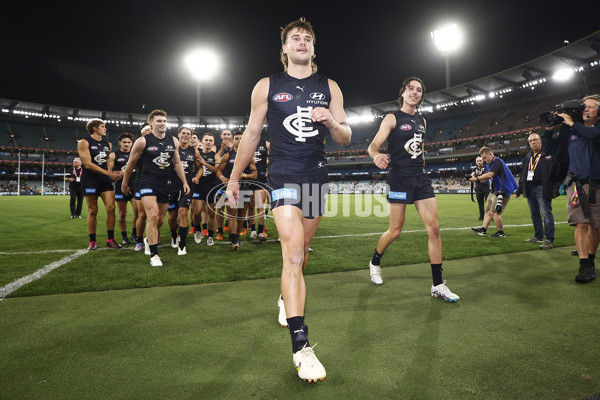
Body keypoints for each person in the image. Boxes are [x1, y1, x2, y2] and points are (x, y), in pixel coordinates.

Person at [226, 17, 351, 383]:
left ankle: (285, 296)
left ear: (313, 48)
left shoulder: (329, 86)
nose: (301, 41)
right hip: (282, 175)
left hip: (316, 176)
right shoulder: (267, 85)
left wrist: (331, 122)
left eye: (307, 38)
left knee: (303, 250)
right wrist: (234, 177)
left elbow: (345, 136)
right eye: (295, 38)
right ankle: (301, 346)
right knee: (293, 253)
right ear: (284, 48)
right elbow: (251, 134)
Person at [367, 76, 459, 304]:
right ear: (403, 92)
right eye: (411, 88)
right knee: (395, 230)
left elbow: (421, 149)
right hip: (398, 178)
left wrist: (422, 168)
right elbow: (373, 146)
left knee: (434, 229)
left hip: (420, 178)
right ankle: (375, 262)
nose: (415, 92)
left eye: (419, 90)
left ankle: (437, 284)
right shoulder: (392, 118)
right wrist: (376, 155)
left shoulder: (422, 122)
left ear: (421, 96)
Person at [542, 94, 600, 282]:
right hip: (576, 185)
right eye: (584, 106)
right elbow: (551, 151)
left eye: (591, 107)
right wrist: (549, 130)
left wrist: (572, 123)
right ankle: (584, 265)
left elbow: (594, 135)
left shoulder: (594, 128)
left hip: (597, 184)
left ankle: (591, 258)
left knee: (596, 226)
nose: (586, 109)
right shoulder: (570, 131)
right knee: (580, 224)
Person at [121, 110, 190, 266]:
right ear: (151, 123)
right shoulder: (142, 141)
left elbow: (177, 164)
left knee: (159, 220)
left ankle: (148, 239)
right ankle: (154, 255)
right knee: (152, 215)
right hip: (146, 182)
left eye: (164, 121)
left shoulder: (173, 141)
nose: (163, 123)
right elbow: (131, 164)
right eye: (159, 121)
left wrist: (184, 182)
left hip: (165, 184)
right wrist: (124, 184)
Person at [77, 118, 122, 250]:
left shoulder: (108, 144)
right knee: (93, 210)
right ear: (94, 128)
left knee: (111, 208)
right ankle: (92, 241)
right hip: (90, 179)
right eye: (103, 126)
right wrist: (109, 174)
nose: (105, 129)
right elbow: (87, 164)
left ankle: (110, 239)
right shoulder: (84, 142)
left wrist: (112, 173)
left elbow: (107, 164)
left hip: (104, 180)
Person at [514, 132, 556, 250]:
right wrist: (519, 189)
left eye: (536, 140)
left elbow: (555, 171)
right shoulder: (528, 156)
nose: (533, 142)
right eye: (531, 141)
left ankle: (549, 239)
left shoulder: (547, 154)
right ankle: (538, 236)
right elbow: (523, 174)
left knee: (546, 214)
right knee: (534, 214)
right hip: (529, 188)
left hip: (542, 188)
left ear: (540, 141)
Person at [217, 131, 257, 250]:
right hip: (231, 188)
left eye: (241, 138)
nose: (239, 140)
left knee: (241, 215)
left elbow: (255, 174)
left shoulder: (249, 156)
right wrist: (223, 178)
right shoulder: (228, 155)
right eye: (237, 138)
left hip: (244, 188)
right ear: (233, 140)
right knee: (232, 213)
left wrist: (244, 176)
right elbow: (218, 170)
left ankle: (236, 238)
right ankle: (234, 240)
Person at [470, 146, 518, 238]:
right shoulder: (490, 165)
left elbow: (490, 175)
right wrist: (477, 179)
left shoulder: (496, 161)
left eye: (485, 158)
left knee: (495, 212)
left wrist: (477, 178)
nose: (484, 160)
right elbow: (489, 178)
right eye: (482, 158)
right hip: (493, 191)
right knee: (488, 211)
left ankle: (500, 233)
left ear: (491, 154)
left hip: (501, 191)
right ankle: (483, 230)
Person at [108, 132, 137, 245]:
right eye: (124, 142)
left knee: (137, 212)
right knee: (122, 213)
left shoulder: (136, 154)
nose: (126, 144)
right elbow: (109, 172)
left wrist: (128, 171)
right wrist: (117, 172)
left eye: (129, 142)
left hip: (135, 186)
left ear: (132, 143)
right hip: (120, 186)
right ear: (120, 143)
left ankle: (134, 234)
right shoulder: (114, 155)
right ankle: (124, 236)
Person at [193, 132, 220, 246]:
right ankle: (198, 230)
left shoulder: (216, 156)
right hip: (199, 186)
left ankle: (210, 236)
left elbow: (217, 170)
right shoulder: (197, 154)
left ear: (213, 143)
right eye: (206, 140)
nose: (208, 142)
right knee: (197, 212)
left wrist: (205, 163)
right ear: (202, 142)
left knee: (211, 213)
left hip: (212, 186)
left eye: (210, 140)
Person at [472, 156, 490, 221]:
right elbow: (472, 179)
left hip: (486, 187)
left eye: (480, 161)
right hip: (478, 188)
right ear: (476, 162)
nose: (479, 162)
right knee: (480, 203)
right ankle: (481, 217)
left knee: (488, 203)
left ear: (483, 161)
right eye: (478, 161)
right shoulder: (474, 169)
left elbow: (486, 178)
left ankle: (490, 217)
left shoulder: (486, 167)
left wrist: (480, 176)